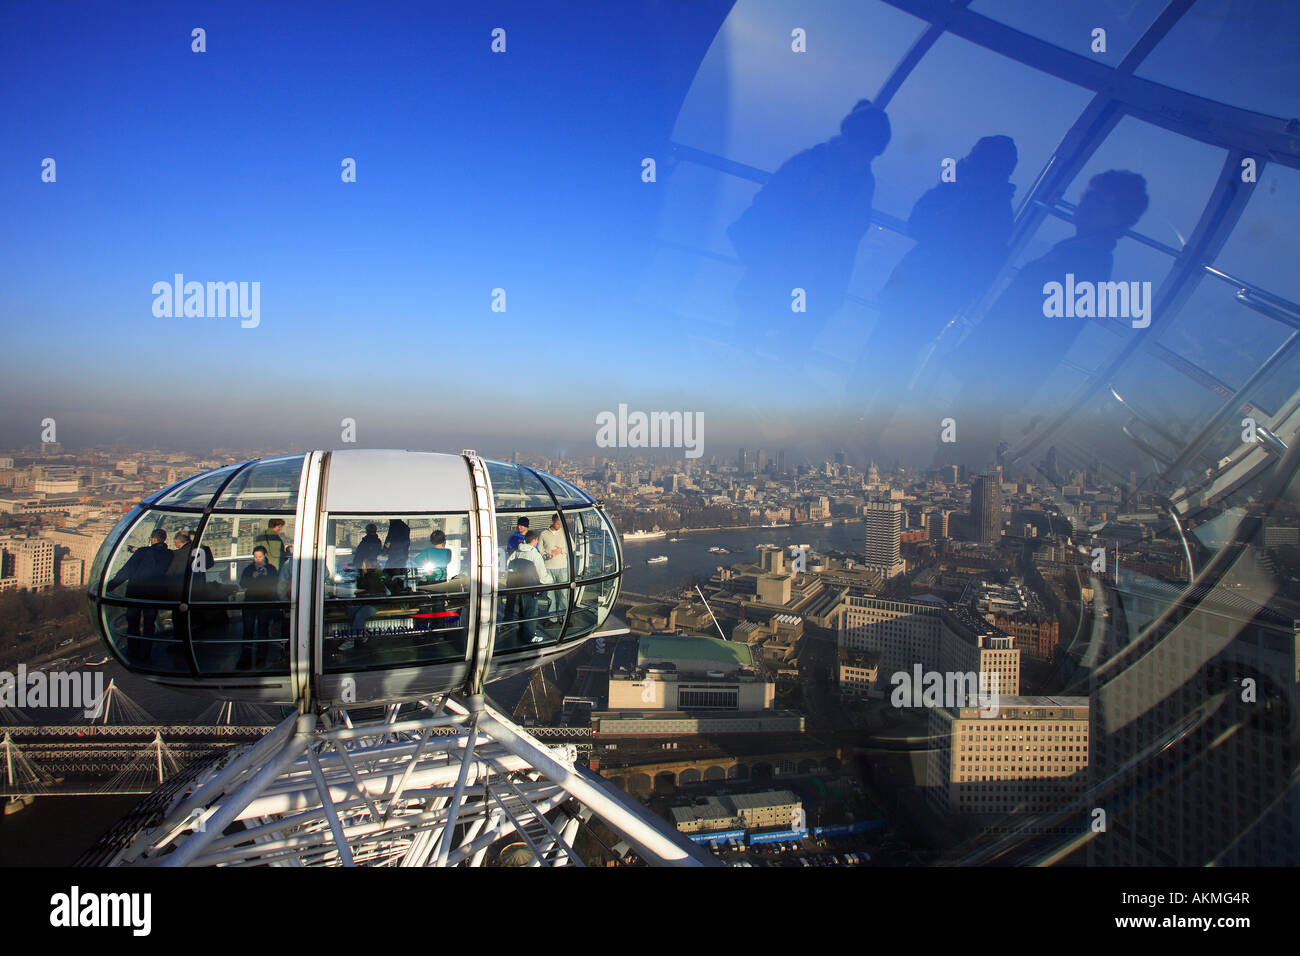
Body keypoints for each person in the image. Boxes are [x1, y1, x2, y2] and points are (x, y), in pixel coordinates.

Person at [944, 169, 1150, 467]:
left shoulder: (1084, 259)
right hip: (999, 372)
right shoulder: (1084, 254)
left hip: (998, 371)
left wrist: (985, 365)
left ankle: (961, 499)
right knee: (967, 442)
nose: (1084, 206)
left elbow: (1037, 326)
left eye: (1096, 200)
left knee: (962, 447)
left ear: (1119, 217)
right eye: (1086, 197)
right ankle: (962, 497)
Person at [851, 135, 1019, 447]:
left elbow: (923, 227)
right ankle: (863, 426)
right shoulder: (987, 207)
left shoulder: (976, 203)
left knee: (885, 350)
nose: (967, 161)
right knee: (892, 352)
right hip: (927, 291)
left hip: (923, 288)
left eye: (976, 158)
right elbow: (920, 225)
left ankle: (858, 423)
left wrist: (957, 197)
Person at [729, 98, 891, 350]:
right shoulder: (829, 170)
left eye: (870, 153)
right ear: (850, 138)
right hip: (791, 269)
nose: (864, 158)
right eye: (865, 149)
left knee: (763, 334)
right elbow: (771, 202)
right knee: (759, 335)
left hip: (797, 271)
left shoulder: (851, 176)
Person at [106, 528, 171, 661]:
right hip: (154, 595)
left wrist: (110, 587)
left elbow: (126, 571)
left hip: (136, 593)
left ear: (152, 539)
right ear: (164, 539)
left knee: (133, 623)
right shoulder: (169, 554)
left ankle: (133, 651)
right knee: (149, 624)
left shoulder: (143, 552)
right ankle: (146, 653)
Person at [504, 530, 552, 644]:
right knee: (530, 611)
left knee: (521, 610)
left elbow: (508, 564)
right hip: (530, 587)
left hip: (517, 585)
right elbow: (542, 575)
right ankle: (530, 636)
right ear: (534, 540)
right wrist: (550, 580)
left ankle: (522, 633)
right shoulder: (535, 554)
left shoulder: (517, 551)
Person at [239, 545, 278, 667]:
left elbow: (275, 583)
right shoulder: (249, 569)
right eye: (255, 557)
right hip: (250, 602)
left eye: (260, 557)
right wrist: (253, 577)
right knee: (247, 630)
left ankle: (261, 657)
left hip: (265, 602)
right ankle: (246, 657)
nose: (257, 559)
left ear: (265, 556)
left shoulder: (271, 569)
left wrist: (266, 575)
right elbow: (242, 584)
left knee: (263, 629)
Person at [537, 513, 568, 623]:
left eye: (560, 523)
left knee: (563, 594)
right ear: (552, 521)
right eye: (557, 523)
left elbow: (572, 546)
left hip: (563, 567)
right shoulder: (543, 534)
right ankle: (552, 618)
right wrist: (546, 555)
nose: (559, 525)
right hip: (548, 567)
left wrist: (561, 550)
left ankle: (563, 617)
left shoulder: (564, 533)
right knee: (550, 594)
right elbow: (539, 549)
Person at [382, 518, 411, 586]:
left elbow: (389, 540)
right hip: (400, 557)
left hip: (396, 558)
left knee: (389, 576)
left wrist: (387, 548)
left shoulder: (395, 526)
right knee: (396, 578)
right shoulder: (402, 527)